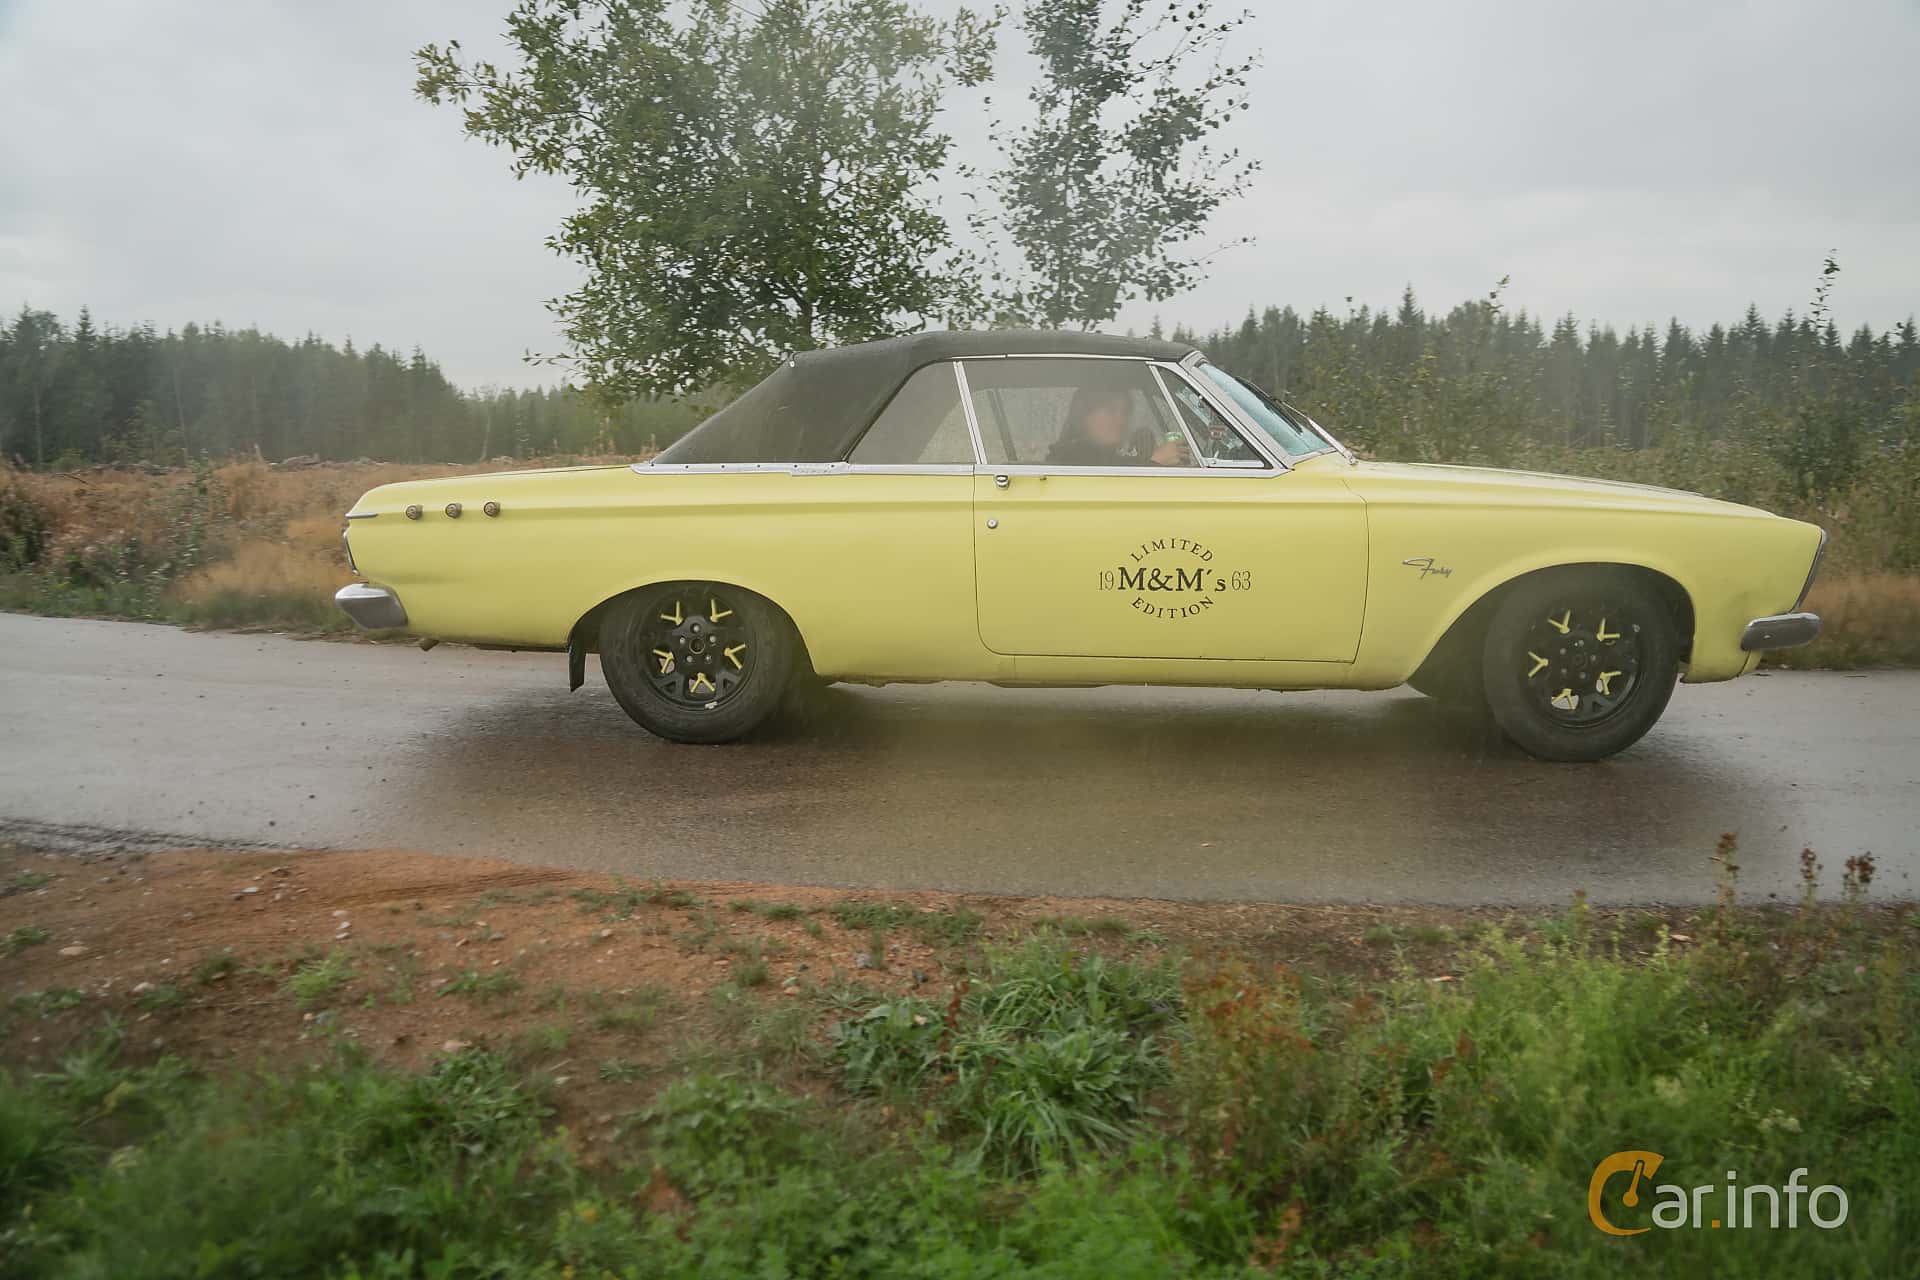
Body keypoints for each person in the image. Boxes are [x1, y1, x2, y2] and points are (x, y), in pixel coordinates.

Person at [1047, 385, 1191, 467]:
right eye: (1110, 410)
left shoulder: (1105, 457)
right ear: (1083, 415)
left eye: (1126, 412)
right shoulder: (1067, 463)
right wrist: (1155, 463)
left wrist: (1145, 457)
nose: (1121, 419)